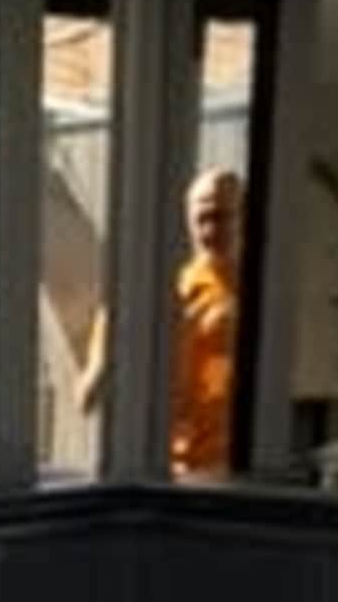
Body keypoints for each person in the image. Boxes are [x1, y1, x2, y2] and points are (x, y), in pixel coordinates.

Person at [77, 164, 246, 480]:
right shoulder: (155, 300)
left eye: (222, 216)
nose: (211, 230)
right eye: (202, 219)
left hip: (237, 470)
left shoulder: (262, 295)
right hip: (170, 472)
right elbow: (87, 399)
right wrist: (116, 343)